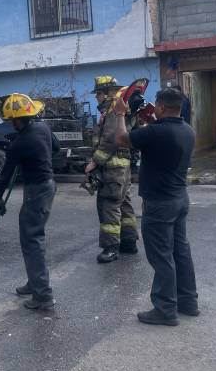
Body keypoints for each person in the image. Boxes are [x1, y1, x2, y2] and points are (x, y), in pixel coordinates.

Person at [112, 87, 198, 326]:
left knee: (161, 256)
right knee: (180, 252)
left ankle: (165, 309)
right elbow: (160, 139)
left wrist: (120, 114)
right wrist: (151, 122)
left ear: (161, 107)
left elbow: (121, 139)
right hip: (180, 199)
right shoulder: (187, 130)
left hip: (160, 203)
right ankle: (188, 302)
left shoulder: (156, 132)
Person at [0, 93, 60, 311]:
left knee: (32, 240)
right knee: (32, 237)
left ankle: (43, 296)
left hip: (36, 190)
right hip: (48, 185)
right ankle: (34, 283)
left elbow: (5, 174)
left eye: (11, 120)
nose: (10, 124)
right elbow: (56, 147)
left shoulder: (19, 143)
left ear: (17, 120)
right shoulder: (43, 128)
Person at [85, 76, 138, 264]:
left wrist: (95, 162)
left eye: (99, 93)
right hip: (122, 167)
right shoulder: (118, 109)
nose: (96, 97)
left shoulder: (114, 110)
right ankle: (129, 243)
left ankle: (111, 248)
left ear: (107, 93)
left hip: (112, 167)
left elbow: (111, 138)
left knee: (109, 205)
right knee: (124, 204)